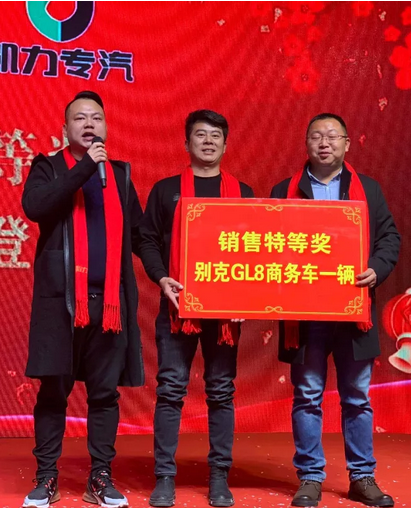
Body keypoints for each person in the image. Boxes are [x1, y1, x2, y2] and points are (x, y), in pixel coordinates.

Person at [270, 113, 401, 508]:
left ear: (347, 143)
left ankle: (362, 476)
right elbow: (267, 242)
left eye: (332, 136)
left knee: (357, 397)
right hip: (305, 316)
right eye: (316, 136)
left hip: (353, 312)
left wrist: (376, 269)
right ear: (306, 143)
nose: (324, 143)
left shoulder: (368, 190)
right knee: (307, 396)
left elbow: (389, 238)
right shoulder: (284, 190)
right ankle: (310, 477)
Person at [21, 91, 144, 508]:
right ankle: (46, 477)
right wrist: (87, 166)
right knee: (53, 392)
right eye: (80, 118)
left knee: (105, 395)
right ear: (65, 129)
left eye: (96, 118)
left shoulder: (120, 176)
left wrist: (165, 273)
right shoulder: (48, 167)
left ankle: (100, 477)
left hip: (108, 306)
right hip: (62, 304)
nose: (89, 124)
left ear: (106, 127)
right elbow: (36, 206)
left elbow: (140, 236)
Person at [139, 110, 254, 507]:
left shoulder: (243, 193)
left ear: (225, 144)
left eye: (215, 135)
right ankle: (164, 477)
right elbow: (147, 239)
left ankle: (219, 477)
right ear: (186, 143)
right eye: (200, 135)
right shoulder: (167, 190)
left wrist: (248, 298)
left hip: (225, 312)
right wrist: (161, 278)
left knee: (221, 390)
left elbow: (257, 249)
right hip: (178, 306)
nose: (208, 141)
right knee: (171, 389)